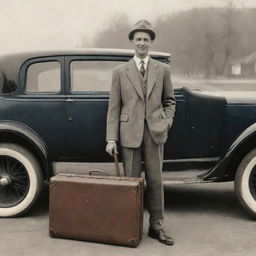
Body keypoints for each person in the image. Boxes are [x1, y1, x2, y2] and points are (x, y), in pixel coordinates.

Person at [105, 20, 176, 246]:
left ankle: (157, 227)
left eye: (146, 39)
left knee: (155, 181)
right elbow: (113, 107)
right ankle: (131, 227)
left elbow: (170, 101)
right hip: (129, 134)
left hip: (155, 133)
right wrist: (111, 138)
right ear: (132, 42)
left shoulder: (162, 69)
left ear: (151, 43)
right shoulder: (120, 71)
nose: (142, 43)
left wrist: (166, 121)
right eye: (139, 39)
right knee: (132, 183)